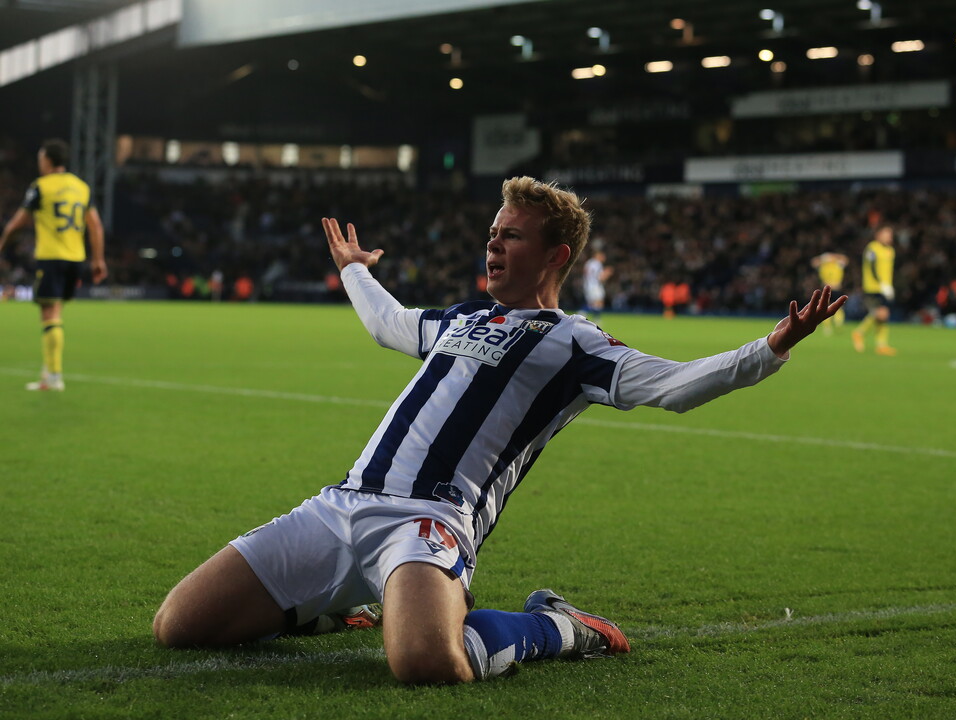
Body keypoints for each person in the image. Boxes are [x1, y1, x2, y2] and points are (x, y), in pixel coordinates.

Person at [152, 177, 845, 684]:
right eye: (493, 230)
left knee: (428, 665)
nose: (493, 241)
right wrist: (356, 274)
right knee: (178, 626)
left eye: (510, 234)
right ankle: (336, 606)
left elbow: (676, 386)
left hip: (428, 524)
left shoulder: (577, 346)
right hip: (341, 506)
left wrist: (773, 345)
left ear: (556, 254)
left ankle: (560, 628)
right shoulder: (460, 318)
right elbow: (388, 324)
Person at [0, 138, 107, 390]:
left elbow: (17, 223)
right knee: (56, 313)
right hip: (75, 258)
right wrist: (99, 259)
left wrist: (3, 244)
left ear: (47, 160)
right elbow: (96, 226)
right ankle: (49, 372)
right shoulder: (81, 187)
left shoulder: (41, 186)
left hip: (51, 257)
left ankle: (53, 376)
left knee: (49, 314)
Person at [851, 224, 896, 356]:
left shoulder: (890, 250)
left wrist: (888, 285)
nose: (889, 237)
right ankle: (859, 333)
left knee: (884, 315)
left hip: (885, 287)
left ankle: (881, 345)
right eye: (886, 234)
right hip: (872, 287)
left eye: (890, 234)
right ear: (878, 235)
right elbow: (872, 267)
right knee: (880, 313)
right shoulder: (872, 248)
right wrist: (881, 283)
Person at [810, 252, 848, 334]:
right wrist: (823, 258)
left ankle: (838, 325)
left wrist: (833, 256)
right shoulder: (824, 265)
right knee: (826, 307)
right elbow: (813, 262)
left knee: (837, 307)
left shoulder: (837, 264)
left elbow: (845, 259)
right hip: (827, 289)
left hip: (835, 288)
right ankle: (828, 327)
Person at [582, 244, 612, 320]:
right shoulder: (597, 264)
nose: (604, 257)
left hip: (588, 284)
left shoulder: (589, 263)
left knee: (595, 302)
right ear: (597, 255)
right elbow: (600, 278)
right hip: (594, 285)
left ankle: (593, 317)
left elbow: (585, 273)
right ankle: (583, 314)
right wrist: (607, 273)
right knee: (597, 302)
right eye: (602, 255)